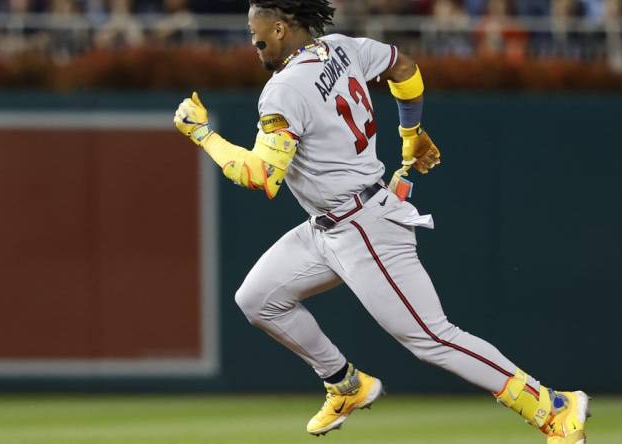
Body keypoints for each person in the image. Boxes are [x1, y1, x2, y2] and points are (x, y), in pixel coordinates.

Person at [173, 0, 590, 442]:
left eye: (258, 37)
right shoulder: (341, 47)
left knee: (432, 337)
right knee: (258, 299)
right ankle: (345, 383)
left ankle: (552, 405)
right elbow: (404, 67)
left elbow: (261, 177)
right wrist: (411, 131)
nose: (254, 46)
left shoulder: (283, 90)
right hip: (329, 224)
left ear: (279, 28)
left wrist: (202, 134)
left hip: (363, 226)